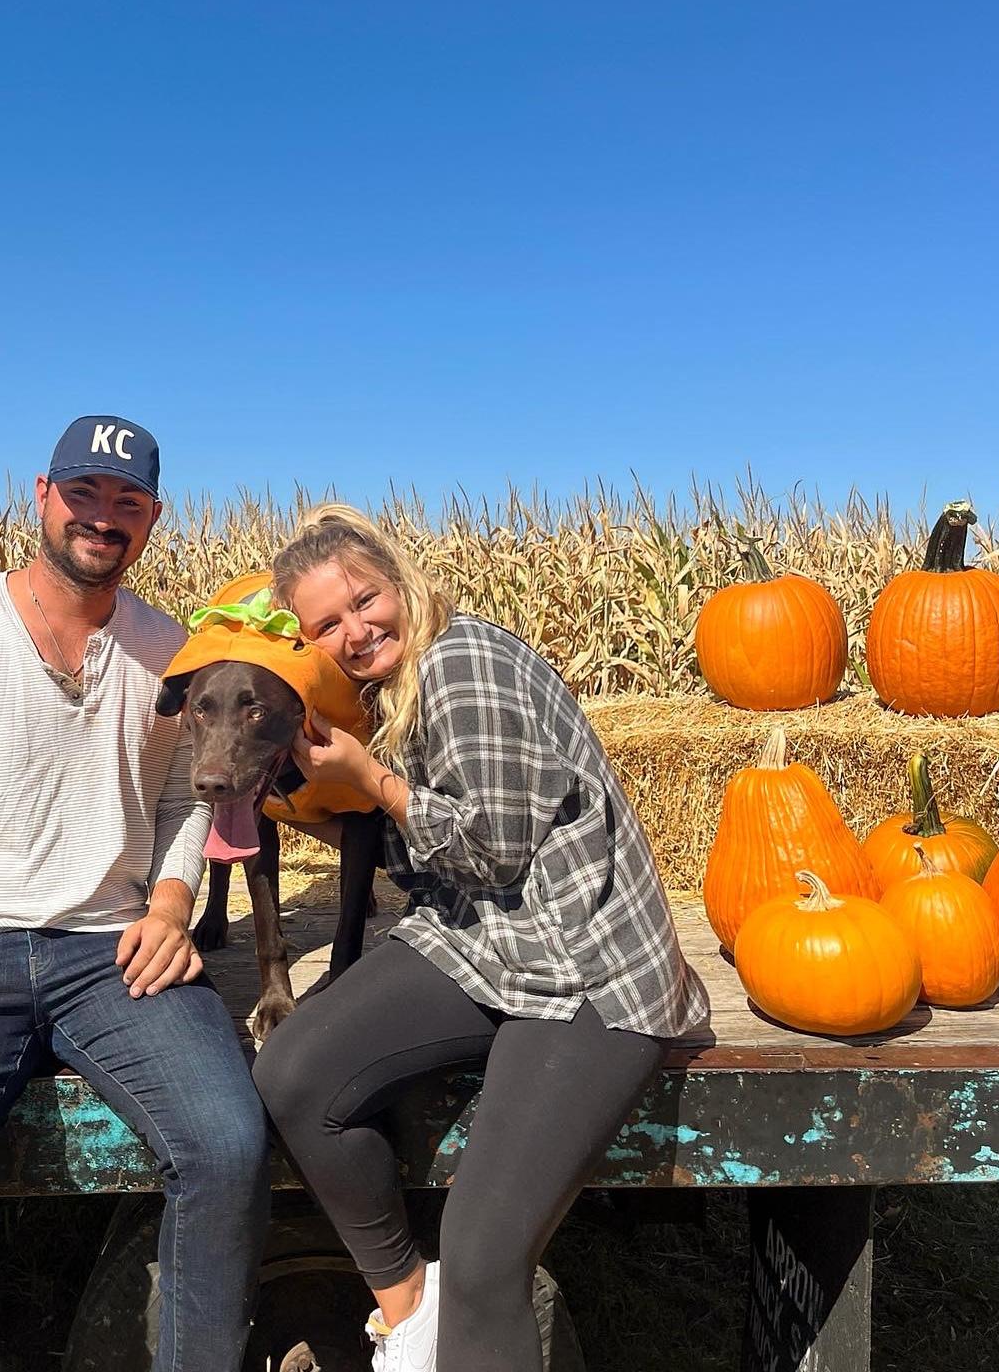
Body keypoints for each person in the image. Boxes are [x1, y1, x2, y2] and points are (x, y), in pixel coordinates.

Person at [0, 417, 271, 1372]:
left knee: (229, 1149)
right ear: (42, 495)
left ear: (152, 516)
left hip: (113, 952)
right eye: (84, 493)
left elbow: (183, 800)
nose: (102, 517)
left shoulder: (173, 653)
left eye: (127, 501)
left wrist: (171, 903)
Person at [251, 503, 709, 1372]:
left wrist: (370, 779)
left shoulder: (461, 664)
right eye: (328, 624)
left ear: (400, 582)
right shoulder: (388, 692)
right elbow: (427, 863)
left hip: (583, 968)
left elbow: (491, 849)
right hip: (484, 941)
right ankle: (411, 1313)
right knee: (294, 1072)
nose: (356, 631)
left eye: (365, 600)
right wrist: (313, 801)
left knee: (484, 1255)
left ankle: (455, 1309)